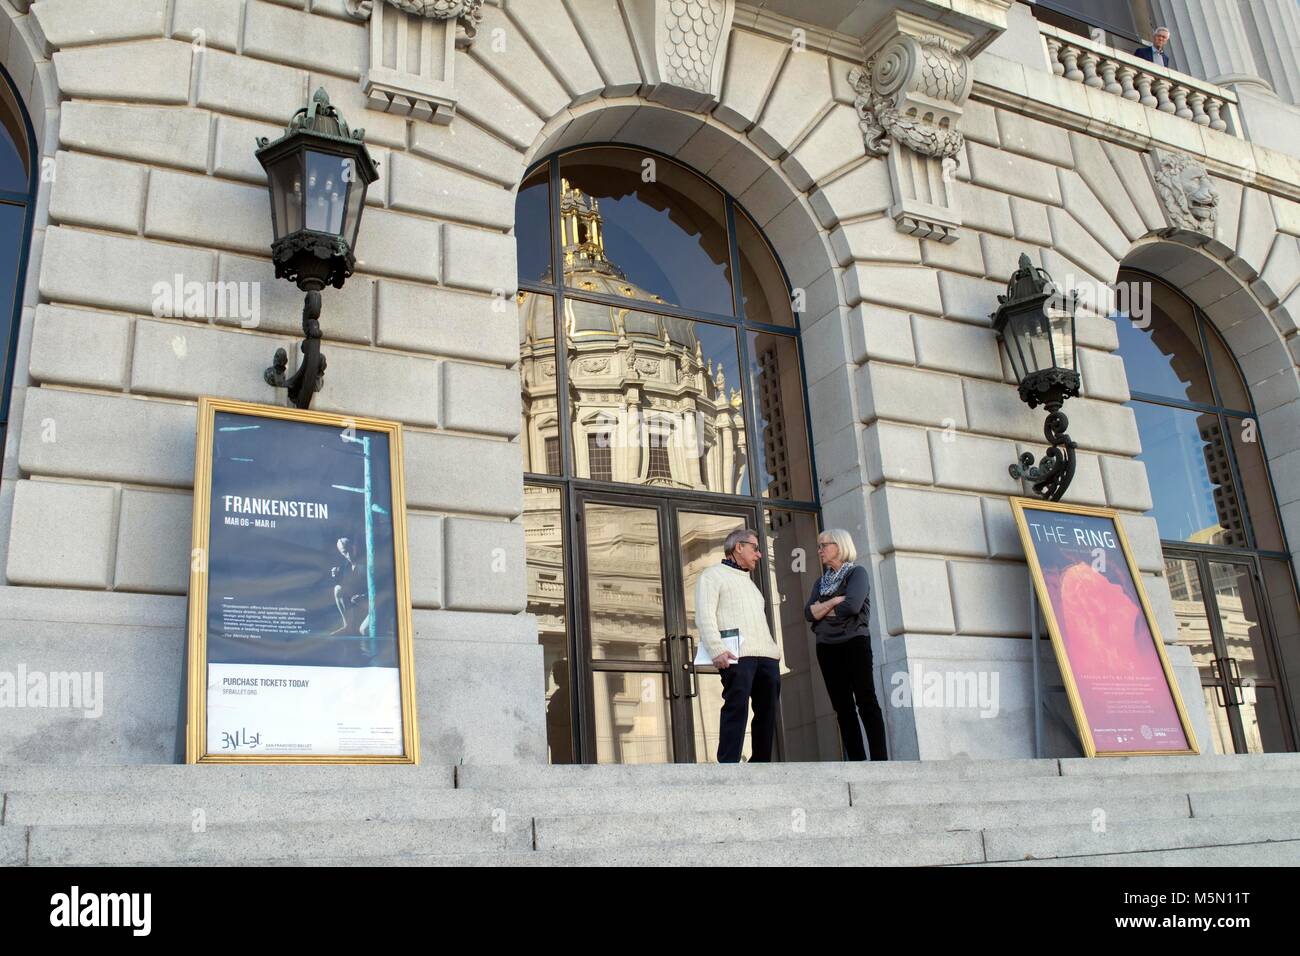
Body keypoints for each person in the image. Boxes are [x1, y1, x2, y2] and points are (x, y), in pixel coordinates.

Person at [694, 528, 781, 763]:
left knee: (767, 711)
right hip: (736, 655)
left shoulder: (752, 585)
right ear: (738, 547)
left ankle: (761, 763)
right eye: (755, 548)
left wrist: (774, 651)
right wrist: (716, 649)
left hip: (767, 657)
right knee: (736, 707)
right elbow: (704, 616)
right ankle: (728, 764)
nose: (759, 554)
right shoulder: (712, 575)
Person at [805, 528, 888, 761]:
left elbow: (851, 607)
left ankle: (880, 760)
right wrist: (833, 602)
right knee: (842, 708)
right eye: (819, 545)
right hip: (827, 647)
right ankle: (857, 761)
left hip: (854, 643)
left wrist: (822, 610)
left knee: (866, 701)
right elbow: (808, 614)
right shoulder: (820, 583)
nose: (819, 550)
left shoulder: (857, 574)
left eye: (824, 545)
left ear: (839, 546)